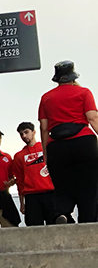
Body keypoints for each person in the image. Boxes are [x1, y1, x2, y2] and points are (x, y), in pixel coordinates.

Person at [39, 61, 98, 224]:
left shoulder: (46, 97)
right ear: (73, 77)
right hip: (84, 142)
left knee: (62, 186)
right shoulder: (84, 92)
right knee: (89, 186)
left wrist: (46, 151)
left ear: (57, 79)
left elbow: (44, 127)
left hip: (57, 147)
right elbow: (92, 118)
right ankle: (88, 220)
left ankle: (62, 213)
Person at [11, 122, 57, 226]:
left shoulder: (46, 148)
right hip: (31, 196)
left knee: (55, 225)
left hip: (50, 193)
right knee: (33, 227)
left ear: (34, 132)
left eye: (26, 132)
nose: (24, 136)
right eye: (21, 134)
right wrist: (22, 203)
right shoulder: (19, 156)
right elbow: (20, 180)